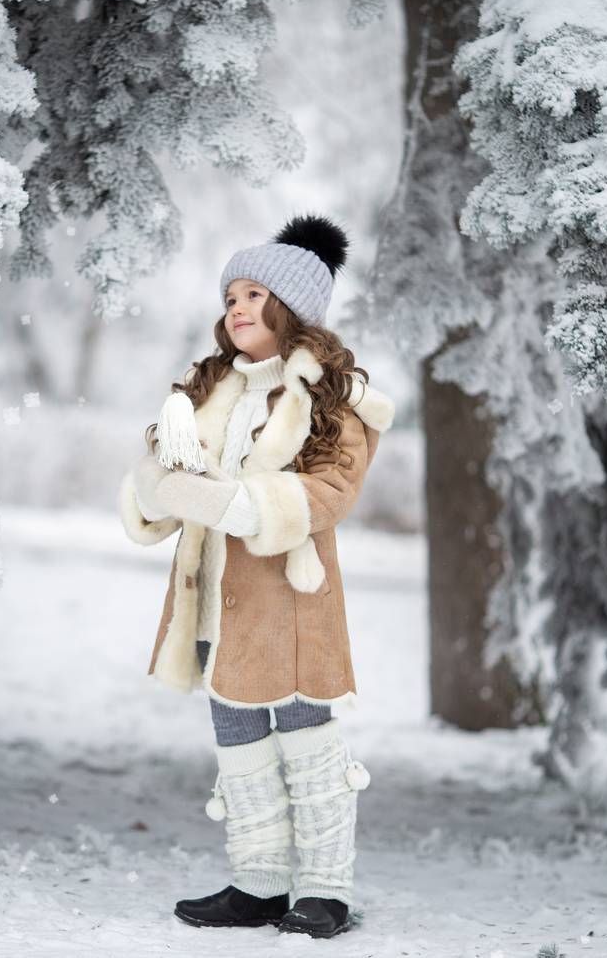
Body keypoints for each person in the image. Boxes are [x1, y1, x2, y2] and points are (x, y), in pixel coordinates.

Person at [115, 213, 395, 939]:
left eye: (253, 295)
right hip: (213, 597)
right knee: (237, 741)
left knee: (306, 741)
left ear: (291, 308)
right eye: (231, 296)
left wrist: (230, 502)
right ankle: (260, 883)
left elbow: (329, 492)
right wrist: (159, 481)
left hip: (288, 603)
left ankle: (325, 890)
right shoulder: (209, 388)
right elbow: (163, 478)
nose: (237, 308)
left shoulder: (329, 398)